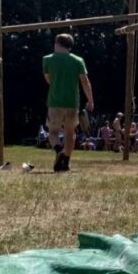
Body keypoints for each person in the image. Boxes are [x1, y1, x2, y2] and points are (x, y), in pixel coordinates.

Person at [42, 33, 94, 172]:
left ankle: (59, 150)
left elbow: (48, 80)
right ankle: (64, 163)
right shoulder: (78, 60)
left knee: (53, 132)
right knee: (70, 133)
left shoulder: (47, 59)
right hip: (72, 103)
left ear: (56, 43)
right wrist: (90, 100)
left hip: (54, 102)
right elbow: (85, 82)